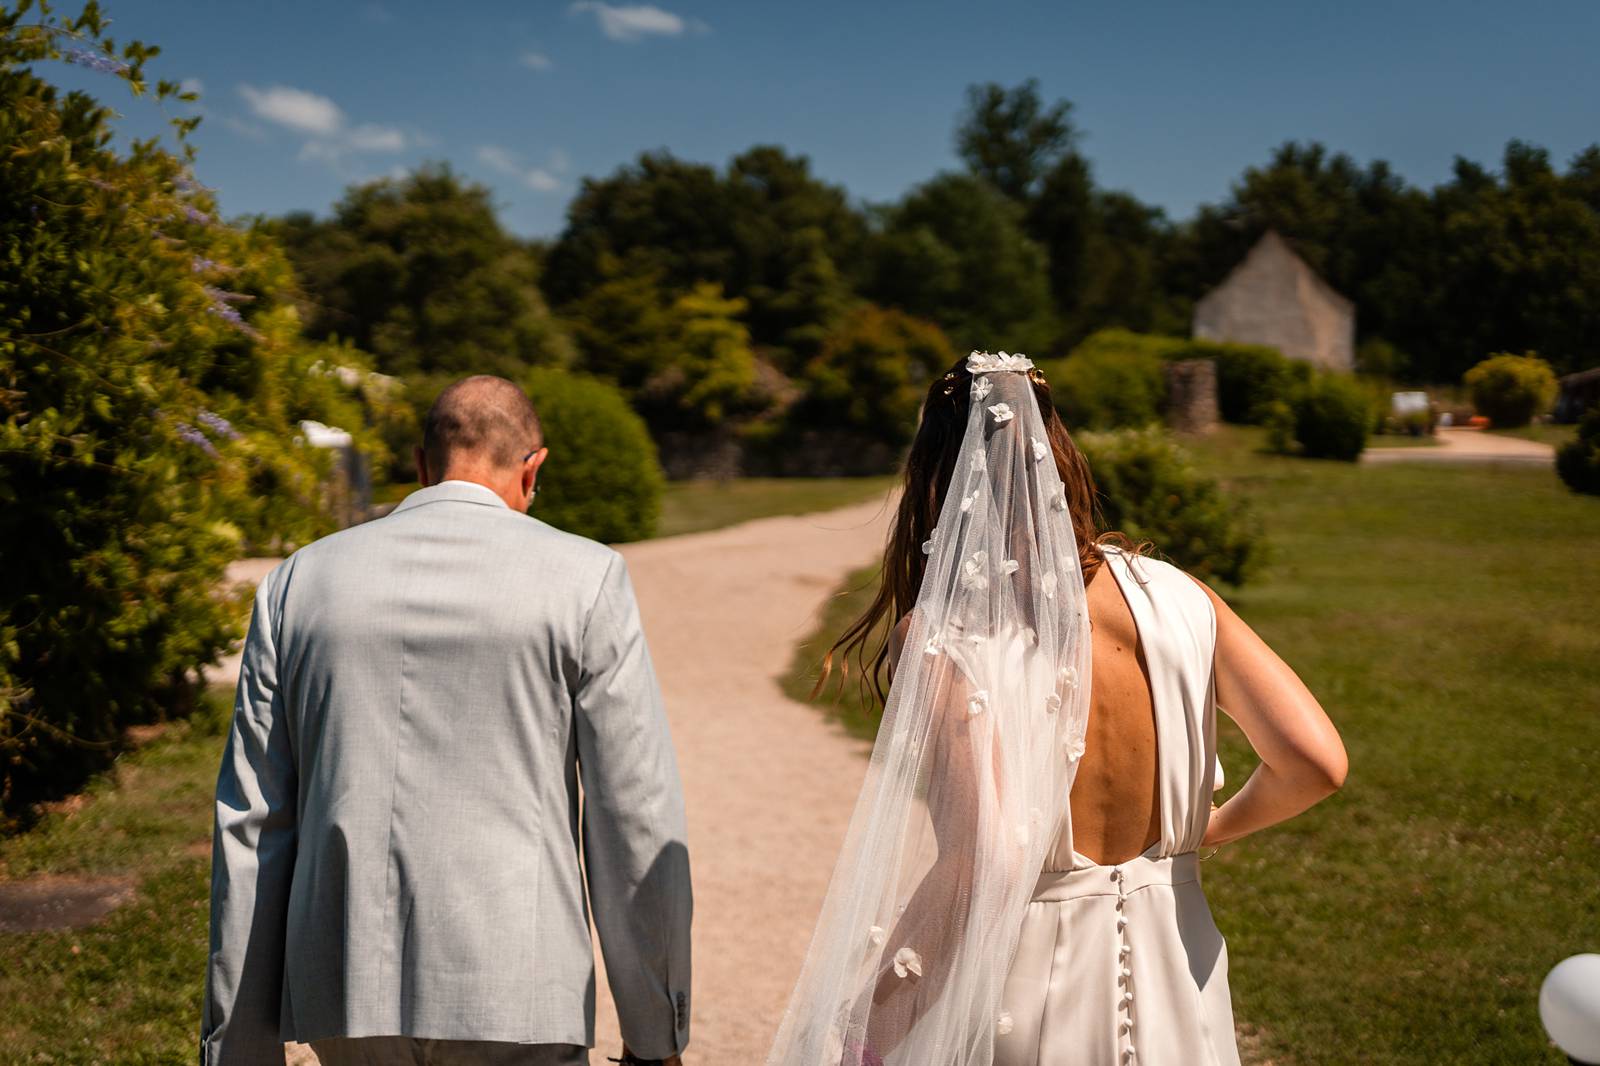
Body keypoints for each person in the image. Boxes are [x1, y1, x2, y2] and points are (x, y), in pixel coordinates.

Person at [767, 352, 1347, 1066]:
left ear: (938, 479)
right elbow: (1316, 761)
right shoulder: (1176, 594)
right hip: (1184, 964)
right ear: (1058, 452)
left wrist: (875, 1017)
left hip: (1028, 986)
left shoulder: (951, 630)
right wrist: (1205, 835)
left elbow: (990, 854)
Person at [202, 375, 692, 1066]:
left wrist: (238, 1050)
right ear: (533, 469)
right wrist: (654, 1032)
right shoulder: (587, 578)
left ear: (421, 463)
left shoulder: (298, 581)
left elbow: (252, 823)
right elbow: (633, 814)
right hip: (521, 984)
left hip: (345, 988)